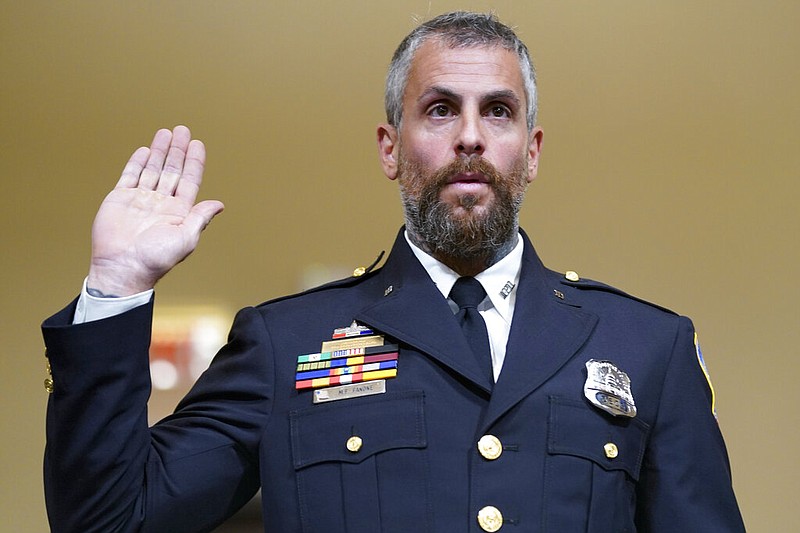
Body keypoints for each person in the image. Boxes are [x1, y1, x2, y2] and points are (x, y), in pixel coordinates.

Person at [41, 11, 745, 533]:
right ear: (389, 147)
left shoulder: (647, 347)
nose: (470, 135)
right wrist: (116, 288)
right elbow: (111, 519)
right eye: (440, 109)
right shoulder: (288, 343)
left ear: (530, 153)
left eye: (497, 111)